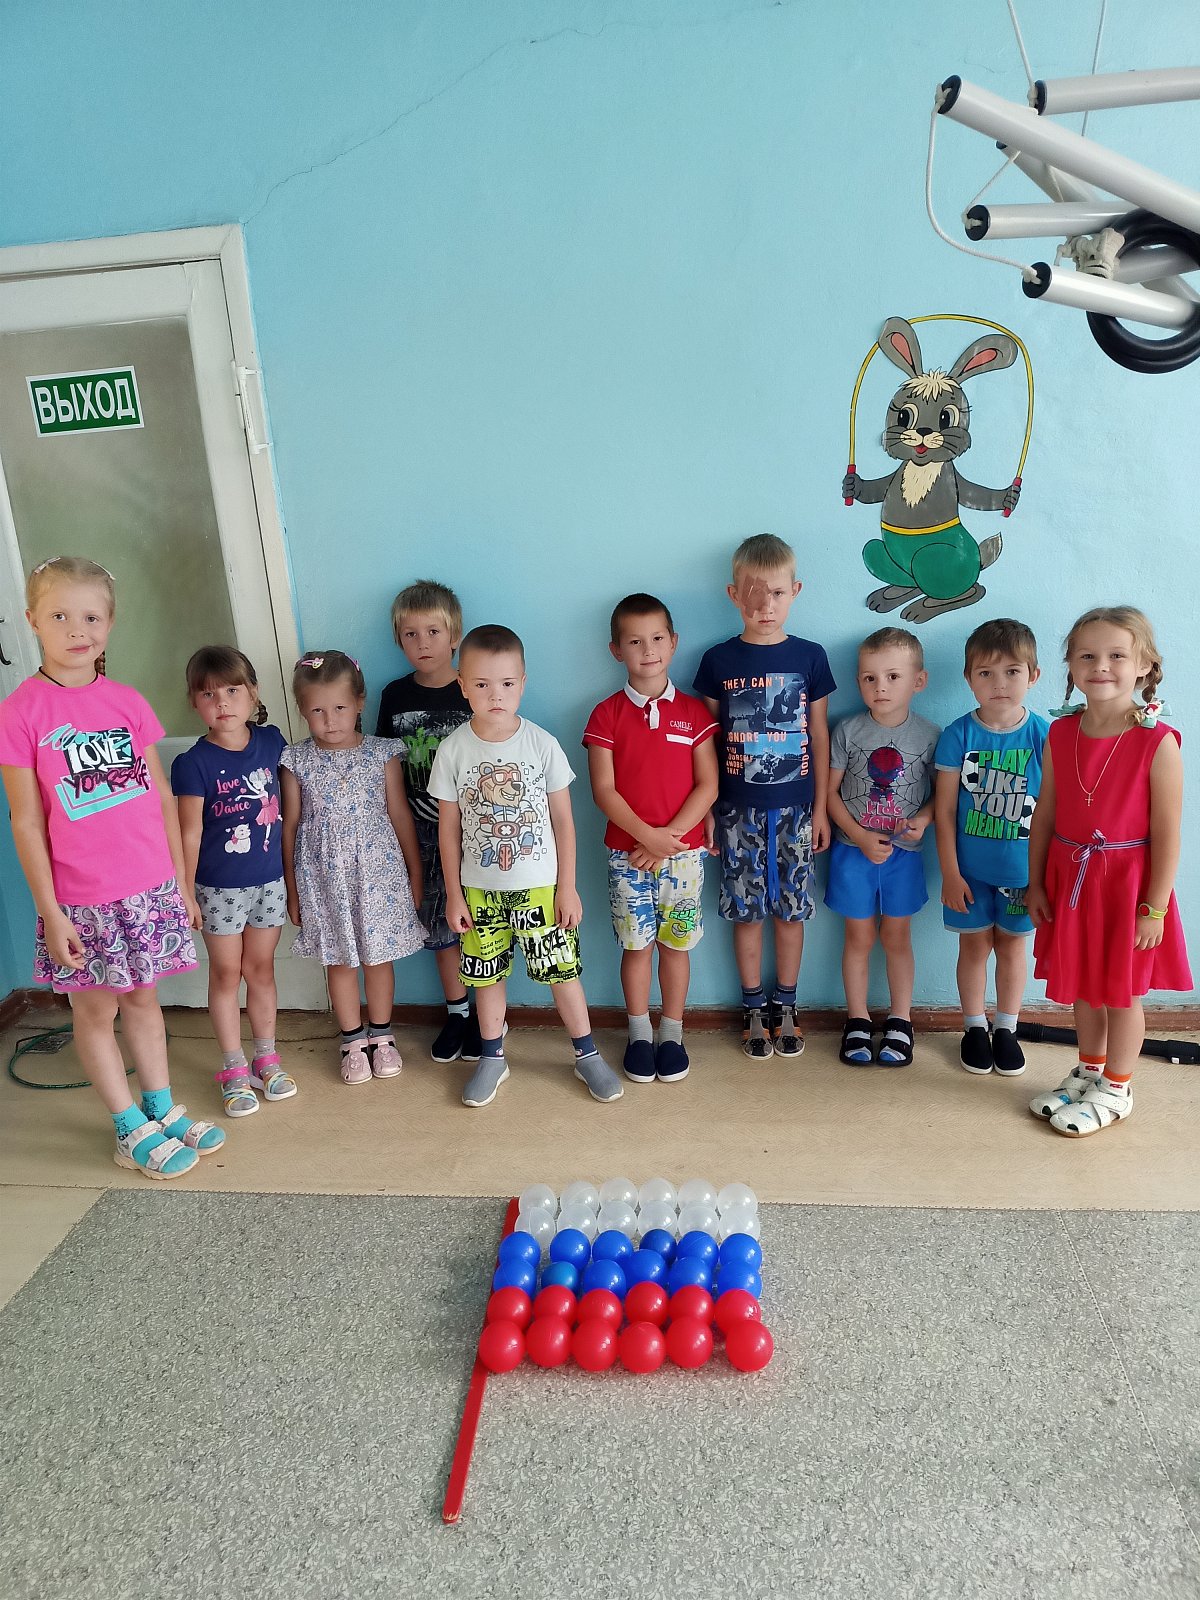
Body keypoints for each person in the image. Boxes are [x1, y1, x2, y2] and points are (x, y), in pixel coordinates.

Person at [0, 556, 221, 1178]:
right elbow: (26, 822)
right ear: (32, 622)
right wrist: (50, 911)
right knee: (96, 1012)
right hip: (81, 900)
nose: (78, 629)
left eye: (92, 617)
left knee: (145, 1001)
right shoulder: (20, 713)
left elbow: (162, 798)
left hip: (148, 888)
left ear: (110, 623)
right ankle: (127, 1128)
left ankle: (159, 1108)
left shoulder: (127, 702)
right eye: (60, 616)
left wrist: (179, 883)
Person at [428, 624, 623, 1107]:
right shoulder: (453, 749)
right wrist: (453, 893)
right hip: (479, 891)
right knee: (486, 977)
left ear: (523, 683)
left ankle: (586, 1054)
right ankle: (492, 1057)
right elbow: (447, 830)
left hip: (540, 889)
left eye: (506, 683)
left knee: (562, 972)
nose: (495, 695)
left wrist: (567, 887)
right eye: (481, 684)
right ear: (462, 684)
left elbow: (564, 822)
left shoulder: (541, 744)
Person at [1027, 607, 1190, 1135]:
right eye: (1087, 655)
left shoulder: (1158, 742)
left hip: (1127, 887)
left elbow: (1168, 834)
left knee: (1122, 992)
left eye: (1117, 655)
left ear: (1144, 666)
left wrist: (1154, 907)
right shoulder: (1060, 732)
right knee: (1083, 987)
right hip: (1071, 880)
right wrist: (1036, 882)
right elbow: (1046, 814)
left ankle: (1118, 1087)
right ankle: (1090, 1072)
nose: (1101, 666)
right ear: (1071, 666)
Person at [693, 534, 835, 1060]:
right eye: (754, 594)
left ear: (795, 591)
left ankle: (787, 1005)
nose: (765, 606)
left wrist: (821, 810)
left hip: (797, 811)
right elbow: (706, 743)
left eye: (776, 593)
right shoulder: (718, 660)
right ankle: (753, 1008)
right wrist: (709, 811)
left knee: (792, 914)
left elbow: (819, 736)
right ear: (734, 595)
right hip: (737, 813)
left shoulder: (810, 657)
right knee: (747, 914)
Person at [583, 593, 718, 1083]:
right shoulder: (606, 715)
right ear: (616, 650)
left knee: (676, 946)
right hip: (627, 856)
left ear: (673, 642)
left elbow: (708, 785)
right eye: (635, 641)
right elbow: (604, 790)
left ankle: (672, 1034)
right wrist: (646, 838)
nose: (648, 650)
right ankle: (639, 1033)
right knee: (636, 947)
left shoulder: (695, 714)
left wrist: (668, 839)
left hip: (684, 855)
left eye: (657, 638)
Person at [280, 651, 424, 1084]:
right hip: (323, 880)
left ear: (360, 702)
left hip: (379, 875)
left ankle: (382, 1035)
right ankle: (352, 1041)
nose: (330, 720)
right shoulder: (296, 760)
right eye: (317, 711)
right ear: (302, 710)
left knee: (379, 958)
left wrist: (415, 873)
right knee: (339, 961)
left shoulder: (382, 754)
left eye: (340, 707)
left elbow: (400, 815)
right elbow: (290, 827)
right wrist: (292, 890)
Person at [172, 646, 295, 1117]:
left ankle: (266, 1059)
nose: (221, 702)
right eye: (208, 694)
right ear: (194, 701)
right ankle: (233, 1068)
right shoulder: (192, 763)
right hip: (218, 890)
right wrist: (186, 892)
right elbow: (188, 832)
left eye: (232, 690)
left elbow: (291, 807)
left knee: (261, 970)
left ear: (253, 693)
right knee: (226, 973)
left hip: (269, 882)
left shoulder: (272, 742)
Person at [934, 618, 1049, 1077]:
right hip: (969, 874)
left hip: (1024, 875)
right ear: (969, 678)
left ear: (1033, 676)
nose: (999, 683)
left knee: (1013, 949)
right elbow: (944, 811)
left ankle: (1006, 1027)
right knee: (974, 947)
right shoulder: (958, 735)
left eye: (1012, 671)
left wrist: (1042, 879)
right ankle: (973, 1027)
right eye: (986, 673)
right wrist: (950, 872)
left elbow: (1054, 813)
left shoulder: (1043, 736)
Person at [376, 580, 481, 1063]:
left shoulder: (473, 689)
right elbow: (385, 766)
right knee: (438, 925)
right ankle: (458, 1012)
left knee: (479, 920)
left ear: (455, 636)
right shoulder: (394, 695)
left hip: (475, 830)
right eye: (411, 634)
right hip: (418, 831)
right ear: (399, 639)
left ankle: (488, 1014)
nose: (423, 643)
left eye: (433, 632)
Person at [825, 628, 939, 1066]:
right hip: (852, 852)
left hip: (903, 857)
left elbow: (941, 795)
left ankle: (900, 1019)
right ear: (858, 681)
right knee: (857, 937)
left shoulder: (929, 735)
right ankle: (856, 1018)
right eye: (869, 678)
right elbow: (830, 793)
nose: (881, 687)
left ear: (918, 681)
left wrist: (923, 819)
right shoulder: (848, 730)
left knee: (896, 937)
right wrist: (857, 836)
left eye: (893, 676)